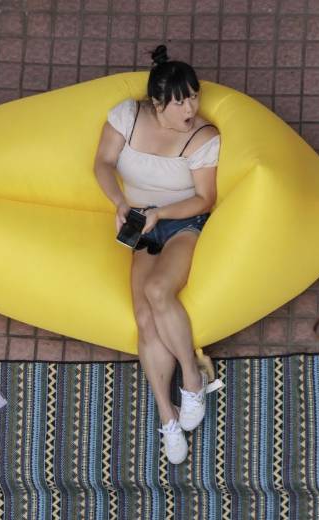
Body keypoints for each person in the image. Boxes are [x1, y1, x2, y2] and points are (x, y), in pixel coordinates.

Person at [94, 45, 221, 464]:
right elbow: (102, 163)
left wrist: (159, 214)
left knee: (158, 290)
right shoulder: (127, 117)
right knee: (143, 319)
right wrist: (120, 204)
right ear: (157, 103)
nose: (191, 108)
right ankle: (167, 416)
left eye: (194, 97)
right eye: (180, 102)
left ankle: (192, 380)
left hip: (181, 221)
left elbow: (204, 199)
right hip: (140, 222)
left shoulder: (202, 137)